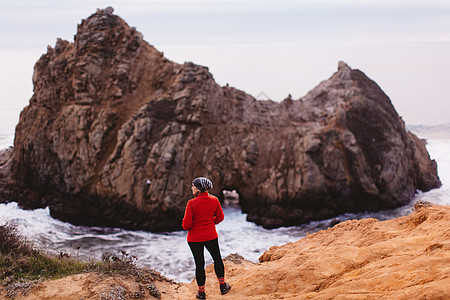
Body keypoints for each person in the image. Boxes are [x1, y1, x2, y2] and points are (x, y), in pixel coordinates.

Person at [182, 177, 231, 299]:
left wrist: (195, 225)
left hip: (194, 239)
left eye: (193, 186)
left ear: (198, 188)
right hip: (210, 235)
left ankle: (202, 293)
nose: (191, 188)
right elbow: (220, 217)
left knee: (199, 264)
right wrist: (210, 222)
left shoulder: (191, 203)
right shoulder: (214, 200)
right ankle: (223, 286)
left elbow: (185, 225)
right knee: (217, 259)